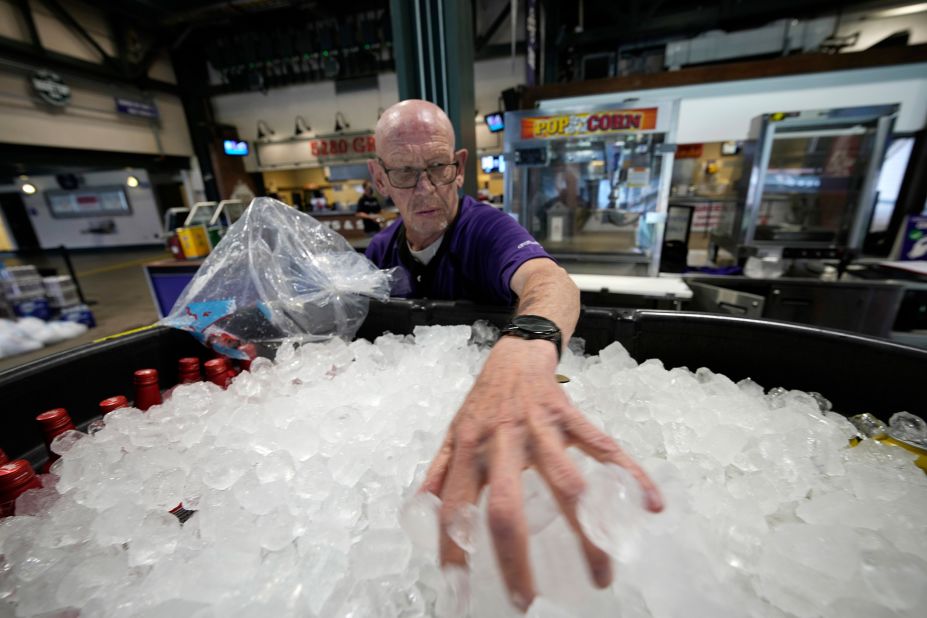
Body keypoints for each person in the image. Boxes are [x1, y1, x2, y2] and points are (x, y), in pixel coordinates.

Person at [365, 100, 662, 612]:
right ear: (379, 179)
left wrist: (525, 346)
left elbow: (550, 281)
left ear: (458, 166)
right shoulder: (380, 250)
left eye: (438, 168)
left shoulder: (486, 230)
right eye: (406, 173)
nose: (425, 188)